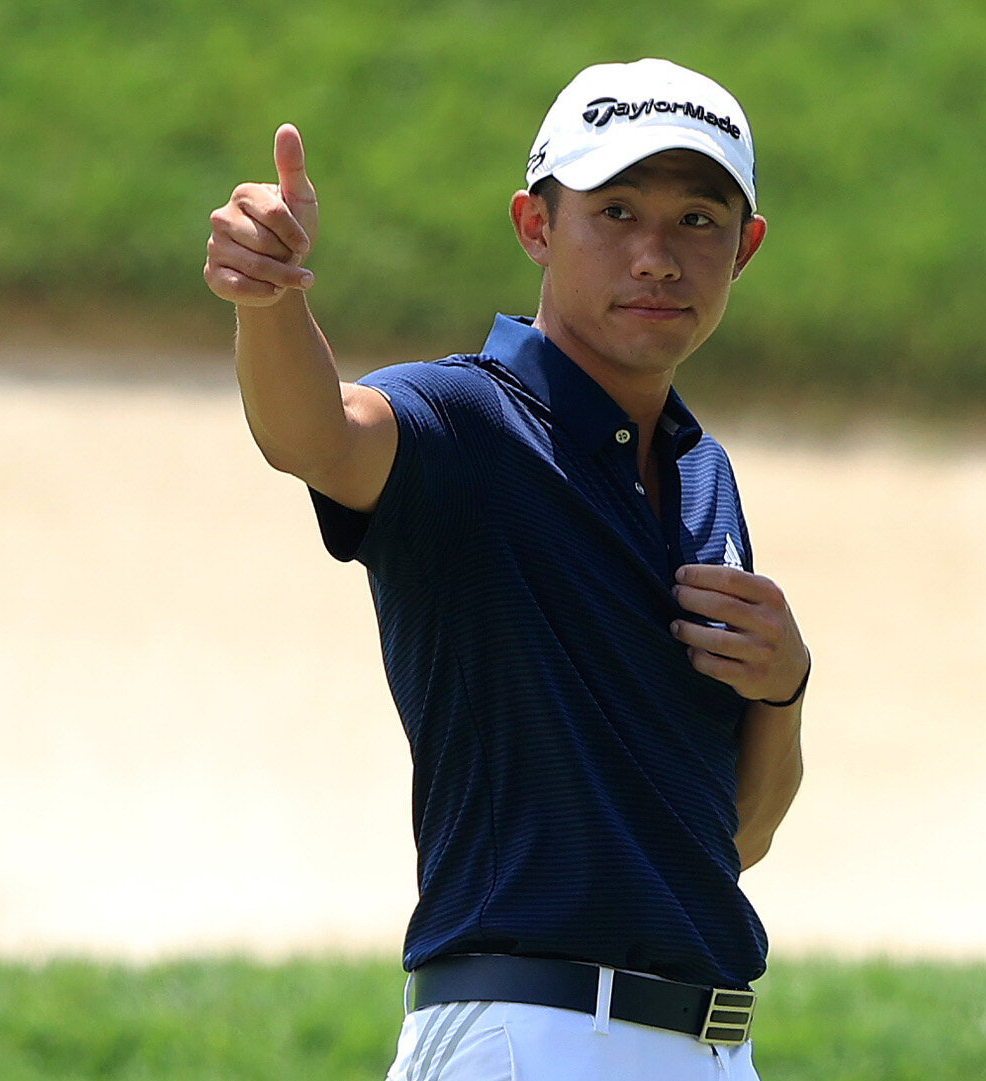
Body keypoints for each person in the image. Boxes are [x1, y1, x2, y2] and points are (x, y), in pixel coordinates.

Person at [204, 57, 808, 1081]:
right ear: (535, 225)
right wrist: (267, 299)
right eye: (615, 211)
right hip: (531, 1036)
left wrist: (784, 686)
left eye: (696, 221)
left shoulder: (703, 475)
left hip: (709, 1045)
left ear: (743, 248)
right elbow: (318, 433)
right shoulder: (467, 421)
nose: (656, 256)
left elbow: (732, 844)